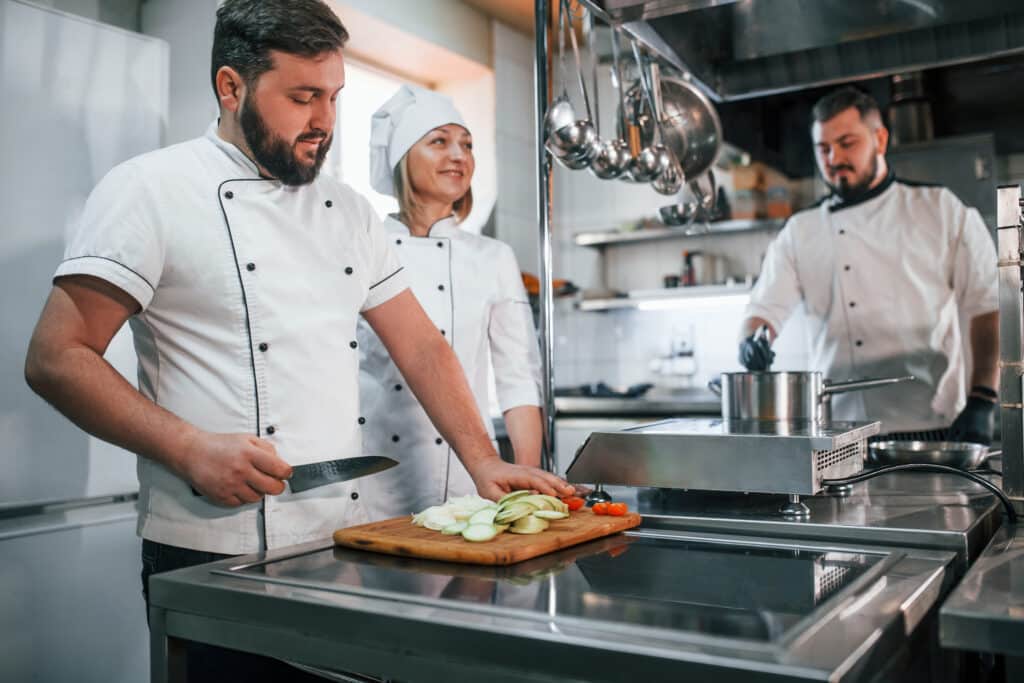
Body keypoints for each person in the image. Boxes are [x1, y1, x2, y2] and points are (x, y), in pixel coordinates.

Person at [23, 0, 570, 679]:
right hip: (209, 551)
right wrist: (187, 446)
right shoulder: (150, 190)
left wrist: (483, 461)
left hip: (335, 547)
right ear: (232, 86)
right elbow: (56, 355)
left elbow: (423, 347)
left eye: (334, 97)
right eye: (303, 97)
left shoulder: (347, 212)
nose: (325, 122)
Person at [738, 86, 999, 443]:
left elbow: (987, 306)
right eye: (824, 148)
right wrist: (752, 341)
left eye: (847, 143)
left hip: (932, 424)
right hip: (837, 432)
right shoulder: (800, 230)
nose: (834, 158)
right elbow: (764, 310)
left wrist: (983, 398)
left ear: (879, 139)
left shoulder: (940, 209)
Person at [358, 85, 544, 521]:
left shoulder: (494, 257)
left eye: (467, 144)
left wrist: (527, 478)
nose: (459, 155)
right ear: (402, 158)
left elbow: (517, 377)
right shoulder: (365, 246)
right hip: (377, 482)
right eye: (439, 141)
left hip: (472, 480)